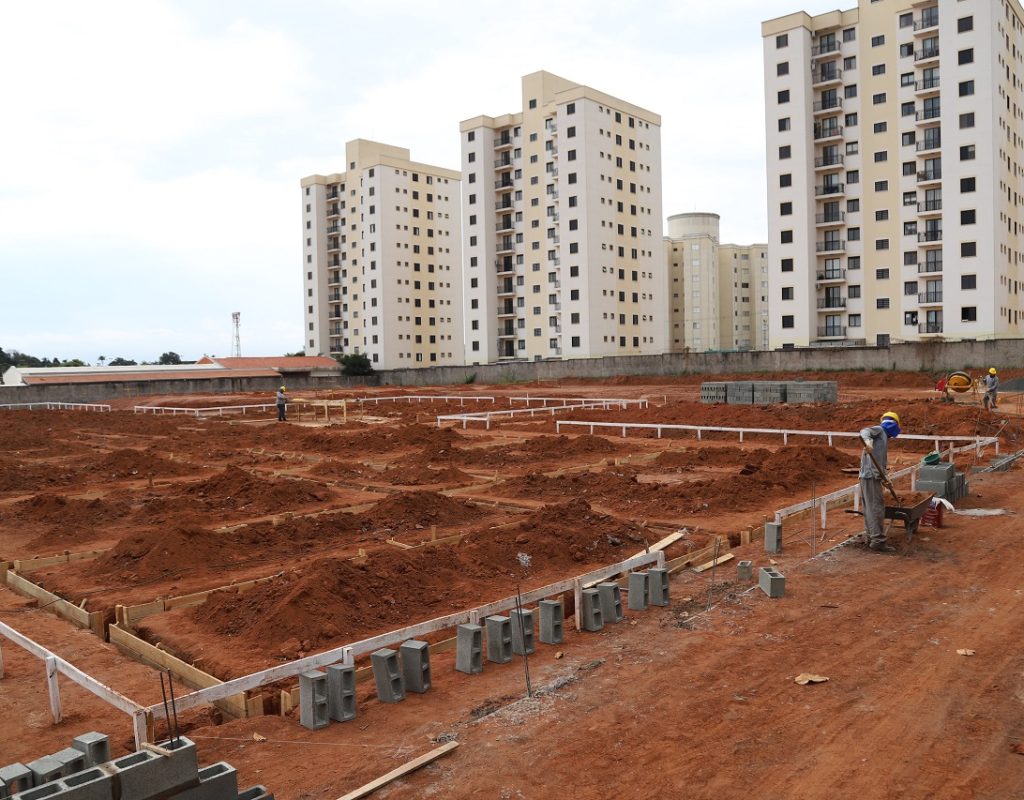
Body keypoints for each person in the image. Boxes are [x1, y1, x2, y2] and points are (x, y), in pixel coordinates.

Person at [859, 411, 901, 553]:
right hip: (870, 477)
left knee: (870, 508)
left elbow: (879, 463)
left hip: (871, 476)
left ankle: (871, 537)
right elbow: (864, 431)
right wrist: (868, 442)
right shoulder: (880, 430)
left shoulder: (883, 438)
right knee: (876, 508)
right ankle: (878, 541)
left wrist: (885, 479)